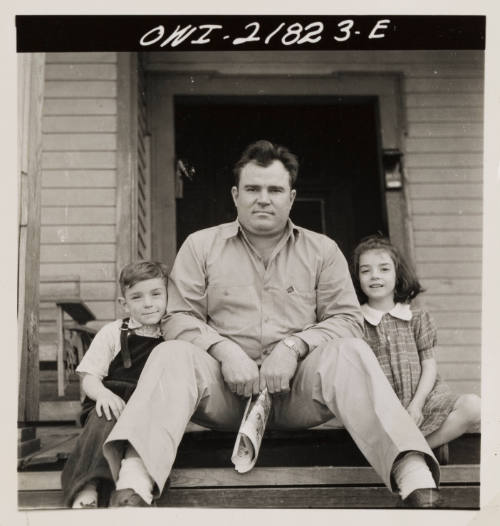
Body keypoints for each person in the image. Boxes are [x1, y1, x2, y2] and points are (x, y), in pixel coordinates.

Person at [103, 140, 441, 508]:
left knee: (350, 349)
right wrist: (224, 350)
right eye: (252, 189)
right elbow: (176, 317)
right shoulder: (200, 246)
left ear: (291, 197)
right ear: (235, 194)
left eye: (275, 190)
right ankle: (134, 484)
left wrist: (294, 347)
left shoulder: (322, 250)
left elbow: (347, 319)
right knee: (171, 354)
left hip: (298, 393)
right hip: (224, 392)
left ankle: (413, 478)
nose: (263, 198)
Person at [351, 235, 481, 450]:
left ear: (397, 274)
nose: (375, 276)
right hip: (381, 408)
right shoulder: (355, 322)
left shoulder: (417, 318)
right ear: (357, 277)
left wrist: (417, 405)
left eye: (384, 269)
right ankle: (418, 450)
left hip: (423, 399)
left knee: (474, 406)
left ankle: (414, 450)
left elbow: (429, 365)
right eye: (366, 270)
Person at [61, 260, 168, 508]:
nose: (148, 303)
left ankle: (132, 489)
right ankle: (86, 487)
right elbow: (89, 376)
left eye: (156, 294)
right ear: (124, 303)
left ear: (167, 295)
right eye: (137, 297)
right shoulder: (113, 332)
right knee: (103, 419)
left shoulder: (171, 331)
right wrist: (102, 395)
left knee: (150, 429)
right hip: (113, 399)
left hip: (149, 404)